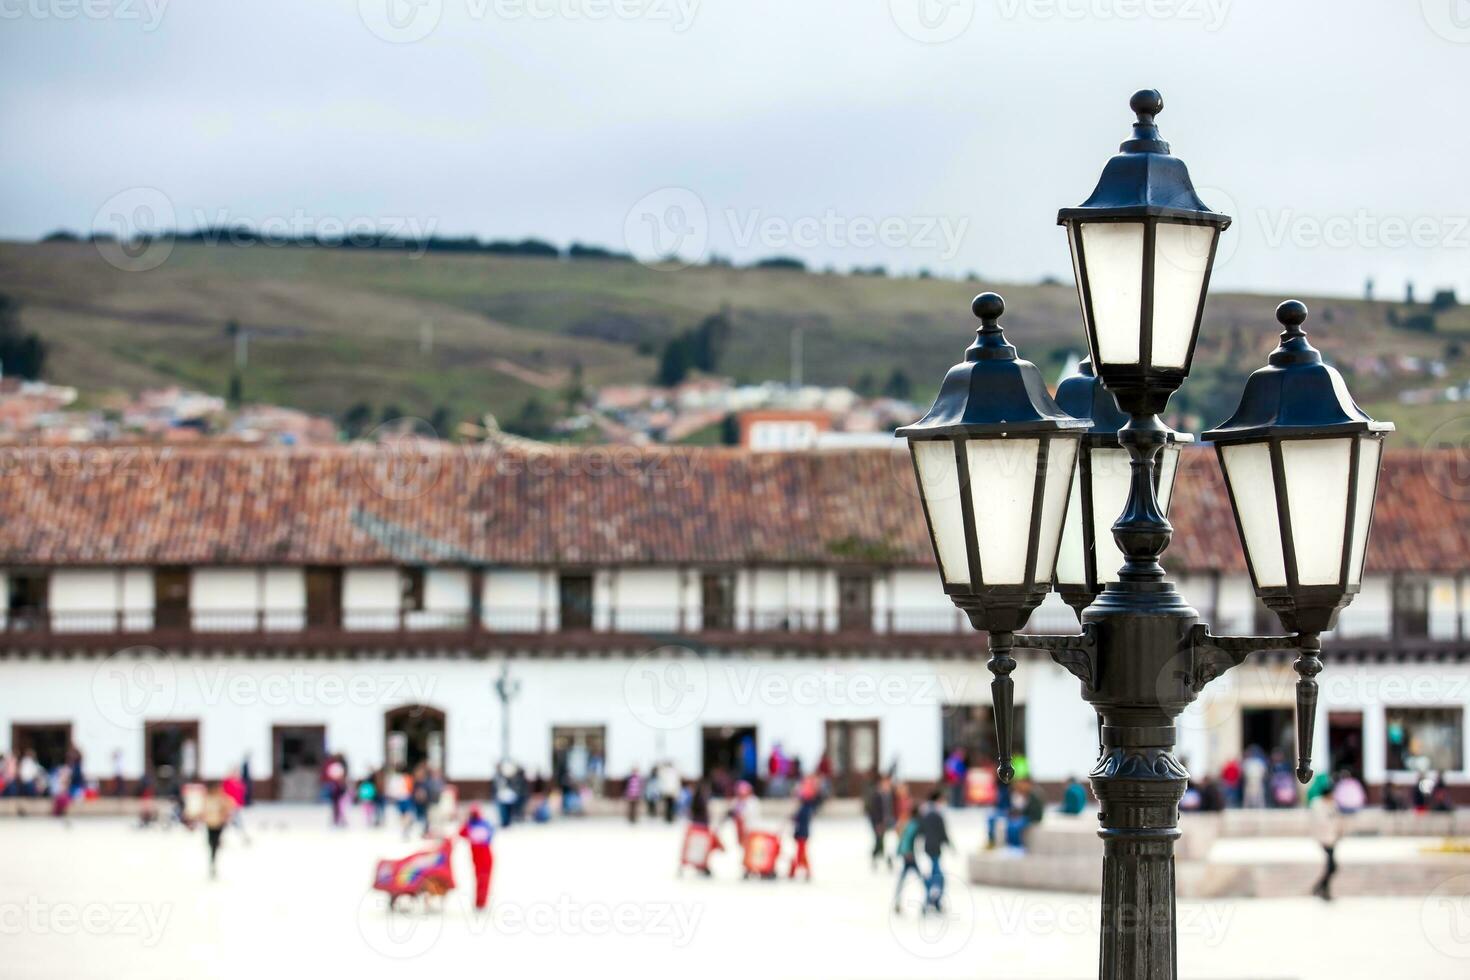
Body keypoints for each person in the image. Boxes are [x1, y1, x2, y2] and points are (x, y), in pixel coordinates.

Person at [458, 804, 495, 910]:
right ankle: (479, 902)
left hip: (483, 857)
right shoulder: (481, 825)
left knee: (483, 880)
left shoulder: (478, 825)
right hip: (479, 857)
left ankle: (481, 903)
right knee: (481, 880)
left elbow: (462, 833)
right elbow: (461, 833)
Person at [919, 790, 950, 913]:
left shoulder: (924, 813)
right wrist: (949, 845)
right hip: (935, 848)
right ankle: (933, 900)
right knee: (938, 877)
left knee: (934, 874)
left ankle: (932, 901)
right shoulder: (937, 814)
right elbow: (943, 832)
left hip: (927, 847)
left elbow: (920, 830)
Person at [1310, 793, 1342, 901]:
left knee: (1331, 866)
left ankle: (1320, 888)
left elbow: (1336, 821)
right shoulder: (1318, 806)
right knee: (1332, 866)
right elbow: (1321, 823)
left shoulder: (1332, 805)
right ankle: (1321, 888)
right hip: (1325, 839)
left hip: (1331, 839)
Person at [892, 809, 924, 914]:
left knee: (903, 879)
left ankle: (897, 902)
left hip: (908, 855)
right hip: (909, 856)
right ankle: (928, 901)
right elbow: (907, 839)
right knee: (921, 879)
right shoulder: (913, 825)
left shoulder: (910, 823)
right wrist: (907, 853)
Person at [201, 782, 234, 879]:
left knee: (214, 843)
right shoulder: (208, 798)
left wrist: (225, 815)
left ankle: (213, 861)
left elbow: (230, 805)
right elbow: (203, 810)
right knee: (211, 842)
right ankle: (213, 859)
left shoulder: (222, 798)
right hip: (210, 824)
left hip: (218, 824)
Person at [866, 774, 896, 870]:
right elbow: (872, 811)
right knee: (879, 841)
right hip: (879, 823)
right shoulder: (876, 796)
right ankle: (875, 857)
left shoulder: (891, 795)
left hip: (889, 821)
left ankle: (889, 860)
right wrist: (877, 823)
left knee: (890, 841)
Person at [788, 782, 816, 880]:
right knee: (800, 853)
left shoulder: (806, 808)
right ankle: (795, 871)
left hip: (802, 834)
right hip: (801, 833)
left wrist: (795, 817)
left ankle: (797, 871)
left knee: (801, 854)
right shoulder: (804, 807)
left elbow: (802, 820)